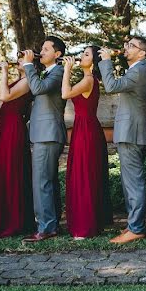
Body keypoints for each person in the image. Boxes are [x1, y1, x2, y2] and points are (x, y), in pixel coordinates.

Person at [100, 36, 146, 244]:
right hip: (133, 131)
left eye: (131, 46)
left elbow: (111, 86)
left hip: (132, 132)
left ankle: (137, 228)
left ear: (142, 53)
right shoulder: (139, 70)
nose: (126, 48)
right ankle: (133, 224)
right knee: (130, 180)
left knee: (133, 182)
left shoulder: (139, 70)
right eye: (126, 44)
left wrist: (106, 61)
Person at [21, 36, 68, 242]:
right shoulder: (47, 73)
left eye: (46, 49)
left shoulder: (57, 72)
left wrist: (28, 66)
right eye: (42, 48)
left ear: (57, 54)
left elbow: (37, 89)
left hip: (48, 134)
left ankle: (46, 227)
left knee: (42, 181)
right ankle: (52, 223)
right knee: (47, 181)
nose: (42, 51)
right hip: (43, 133)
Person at [61, 46, 110, 239]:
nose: (81, 56)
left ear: (94, 62)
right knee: (83, 173)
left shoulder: (89, 79)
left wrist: (66, 70)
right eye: (83, 53)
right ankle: (87, 222)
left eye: (87, 54)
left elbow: (66, 93)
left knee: (85, 174)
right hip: (83, 127)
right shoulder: (87, 79)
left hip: (87, 129)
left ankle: (85, 226)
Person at [0, 60, 33, 238]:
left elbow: (5, 96)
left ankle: (13, 221)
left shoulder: (28, 80)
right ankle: (3, 218)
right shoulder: (21, 79)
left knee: (10, 170)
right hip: (5, 125)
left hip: (12, 127)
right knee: (2, 170)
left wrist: (4, 71)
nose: (18, 60)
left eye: (23, 57)